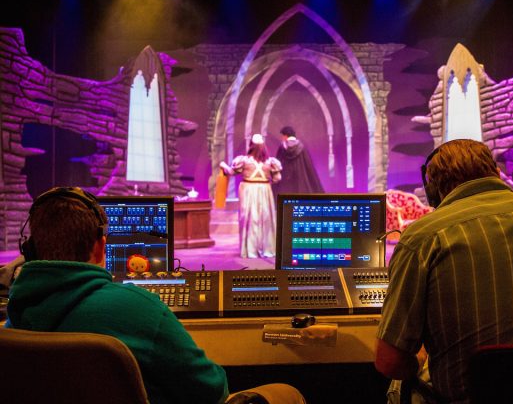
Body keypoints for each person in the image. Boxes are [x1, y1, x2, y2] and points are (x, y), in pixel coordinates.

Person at [4, 186, 305, 404]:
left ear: (29, 251)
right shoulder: (137, 307)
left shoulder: (14, 317)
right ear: (100, 247)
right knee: (286, 393)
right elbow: (211, 391)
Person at [375, 139, 513, 404]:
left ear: (432, 190)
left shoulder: (424, 236)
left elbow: (389, 362)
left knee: (397, 385)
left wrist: (418, 362)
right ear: (496, 174)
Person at [220, 134, 282, 258]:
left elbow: (231, 172)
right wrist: (266, 180)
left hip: (248, 189)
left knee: (249, 218)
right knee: (265, 218)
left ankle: (251, 250)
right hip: (264, 189)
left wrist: (223, 166)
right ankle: (267, 249)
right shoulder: (270, 162)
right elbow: (277, 178)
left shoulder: (244, 160)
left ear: (251, 146)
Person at [272, 126, 324, 197]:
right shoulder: (302, 147)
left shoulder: (282, 147)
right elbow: (308, 166)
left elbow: (277, 164)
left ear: (286, 135)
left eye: (282, 136)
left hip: (285, 178)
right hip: (300, 178)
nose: (282, 138)